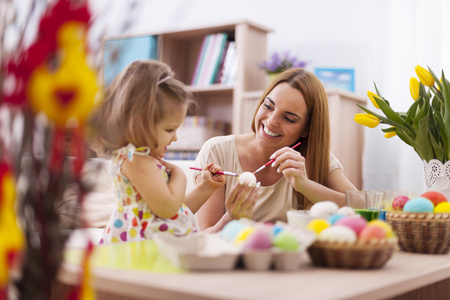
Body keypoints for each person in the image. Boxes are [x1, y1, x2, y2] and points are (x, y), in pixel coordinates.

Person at [193, 68, 357, 232]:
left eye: (288, 118)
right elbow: (204, 237)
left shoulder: (314, 159)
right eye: (268, 106)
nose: (271, 122)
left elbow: (365, 208)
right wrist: (231, 218)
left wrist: (306, 186)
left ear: (307, 130)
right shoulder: (217, 151)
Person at [91, 60, 225, 244]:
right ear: (139, 124)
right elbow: (168, 208)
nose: (175, 138)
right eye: (170, 130)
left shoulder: (144, 160)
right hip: (142, 249)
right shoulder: (135, 160)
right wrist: (179, 174)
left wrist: (205, 188)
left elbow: (175, 210)